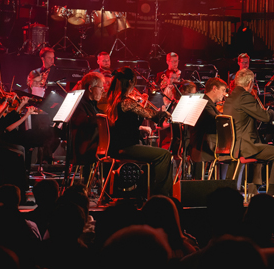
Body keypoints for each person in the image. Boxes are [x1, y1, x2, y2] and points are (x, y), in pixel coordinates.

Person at [105, 67, 173, 196]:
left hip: (116, 146)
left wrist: (139, 130)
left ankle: (148, 191)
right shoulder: (127, 102)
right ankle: (161, 195)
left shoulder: (113, 100)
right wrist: (164, 114)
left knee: (154, 153)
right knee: (164, 155)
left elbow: (123, 126)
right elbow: (149, 114)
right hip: (126, 147)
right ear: (130, 82)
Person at [223, 68, 274, 197]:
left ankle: (254, 190)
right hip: (244, 147)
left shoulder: (231, 97)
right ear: (250, 83)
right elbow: (265, 117)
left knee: (261, 143)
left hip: (233, 144)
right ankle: (272, 193)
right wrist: (272, 112)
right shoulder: (245, 97)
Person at [69, 72, 106, 177]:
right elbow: (83, 121)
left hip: (93, 145)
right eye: (100, 87)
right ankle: (110, 185)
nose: (103, 91)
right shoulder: (78, 104)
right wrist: (104, 119)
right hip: (84, 148)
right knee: (116, 149)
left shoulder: (93, 105)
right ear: (90, 88)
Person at [187, 77, 227, 174]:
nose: (224, 94)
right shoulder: (204, 103)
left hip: (203, 143)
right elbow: (216, 121)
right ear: (214, 89)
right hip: (202, 146)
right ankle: (226, 181)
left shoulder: (208, 102)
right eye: (223, 90)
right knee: (233, 148)